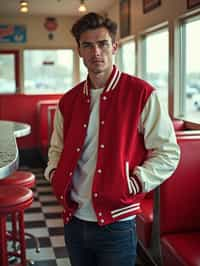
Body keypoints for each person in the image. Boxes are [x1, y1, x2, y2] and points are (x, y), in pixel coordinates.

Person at [45, 12, 180, 266]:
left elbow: (168, 152)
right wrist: (54, 173)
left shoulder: (142, 93)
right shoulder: (69, 100)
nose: (96, 52)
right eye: (87, 45)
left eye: (102, 44)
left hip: (117, 223)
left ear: (114, 47)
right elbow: (57, 148)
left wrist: (137, 181)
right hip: (74, 219)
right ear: (79, 51)